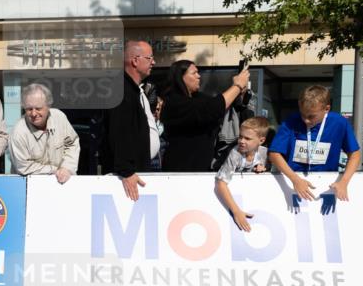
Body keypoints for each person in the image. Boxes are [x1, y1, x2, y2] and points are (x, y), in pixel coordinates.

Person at [268, 85, 361, 201]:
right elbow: (274, 154)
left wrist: (344, 182)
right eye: (302, 114)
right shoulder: (291, 121)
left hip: (327, 183)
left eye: (311, 116)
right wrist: (295, 179)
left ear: (326, 109)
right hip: (294, 182)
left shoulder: (339, 123)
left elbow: (355, 154)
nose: (306, 120)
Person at [160, 59, 251, 173]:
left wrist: (238, 91)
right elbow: (213, 108)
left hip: (202, 168)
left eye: (198, 72)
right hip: (180, 170)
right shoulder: (174, 101)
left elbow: (219, 106)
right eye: (194, 73)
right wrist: (237, 85)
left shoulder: (198, 98)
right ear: (180, 77)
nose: (199, 76)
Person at [100, 40, 159, 200]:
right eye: (149, 58)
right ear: (135, 61)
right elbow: (119, 131)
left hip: (133, 173)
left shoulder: (132, 89)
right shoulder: (120, 89)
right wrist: (126, 170)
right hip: (124, 179)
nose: (153, 62)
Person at [9, 83, 80, 183]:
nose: (34, 114)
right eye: (29, 109)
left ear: (48, 106)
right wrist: (55, 170)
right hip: (29, 186)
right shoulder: (18, 132)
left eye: (38, 108)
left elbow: (72, 143)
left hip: (63, 181)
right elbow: (23, 166)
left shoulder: (59, 117)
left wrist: (67, 168)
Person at [215, 116, 271, 231]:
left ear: (261, 141)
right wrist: (236, 211)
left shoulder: (264, 153)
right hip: (234, 202)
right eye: (240, 136)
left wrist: (262, 169)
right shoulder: (235, 154)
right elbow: (220, 184)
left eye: (247, 138)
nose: (241, 141)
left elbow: (270, 175)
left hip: (254, 203)